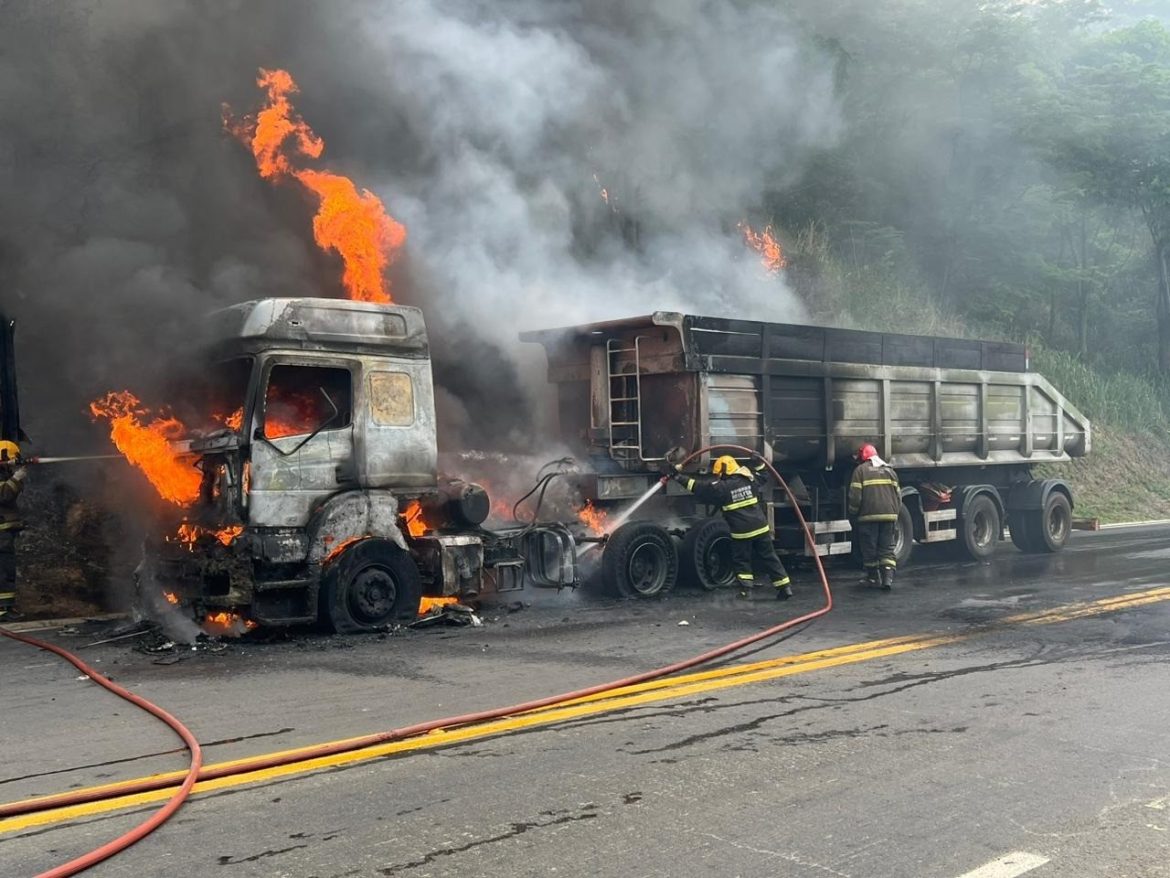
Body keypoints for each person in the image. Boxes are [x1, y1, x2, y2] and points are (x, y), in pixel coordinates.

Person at [668, 455, 792, 599]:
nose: (718, 477)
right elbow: (764, 475)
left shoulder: (722, 488)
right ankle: (785, 588)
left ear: (724, 471)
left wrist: (678, 477)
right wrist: (758, 462)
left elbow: (698, 487)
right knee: (770, 558)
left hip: (742, 532)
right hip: (761, 528)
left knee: (742, 561)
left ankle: (746, 591)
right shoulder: (750, 479)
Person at [848, 443, 900, 590]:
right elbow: (898, 496)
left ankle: (872, 578)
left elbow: (855, 497)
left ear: (863, 456)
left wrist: (853, 512)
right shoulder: (890, 471)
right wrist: (894, 514)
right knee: (887, 549)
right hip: (889, 517)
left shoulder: (860, 471)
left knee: (869, 548)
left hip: (868, 518)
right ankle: (887, 580)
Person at [0, 440, 26, 616]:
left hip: (4, 531)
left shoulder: (3, 475)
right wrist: (16, 478)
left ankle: (7, 607)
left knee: (6, 568)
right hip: (1, 533)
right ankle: (3, 609)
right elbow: (3, 496)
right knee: (3, 569)